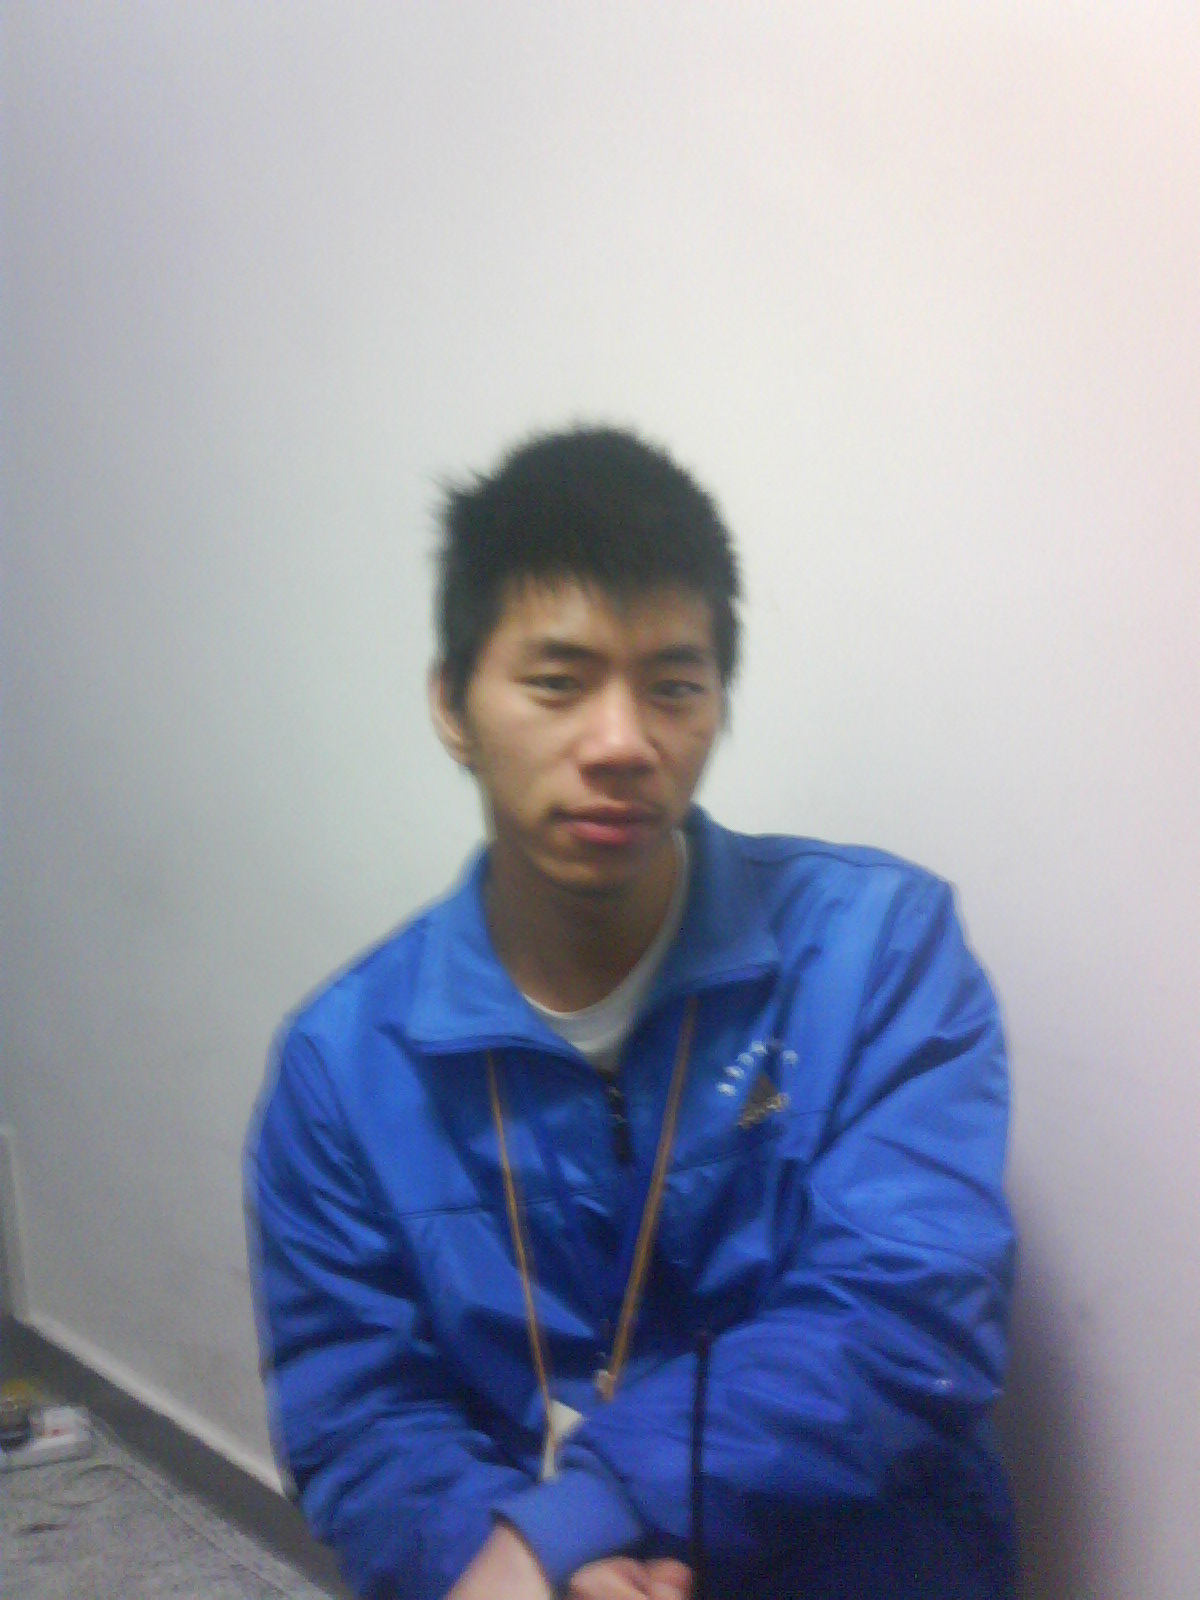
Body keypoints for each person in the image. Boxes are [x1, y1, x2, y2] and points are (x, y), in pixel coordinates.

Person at [245, 426, 1018, 1600]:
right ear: (453, 704)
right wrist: (521, 1560)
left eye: (674, 687)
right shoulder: (345, 1065)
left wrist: (571, 1520)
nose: (622, 742)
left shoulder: (877, 950)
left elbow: (906, 1311)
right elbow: (356, 1408)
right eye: (558, 683)